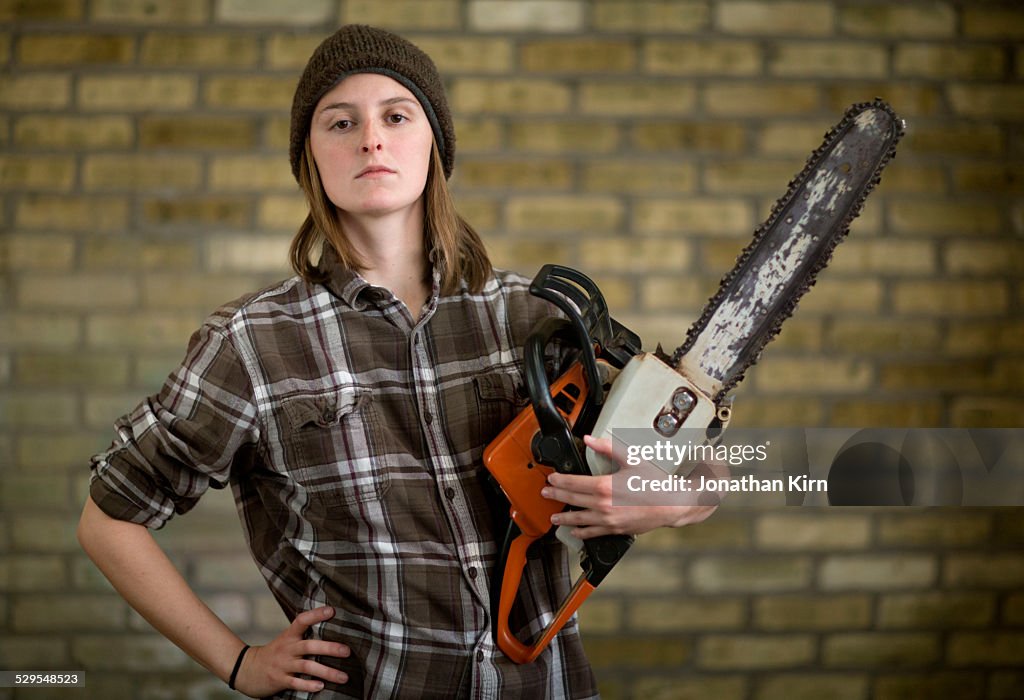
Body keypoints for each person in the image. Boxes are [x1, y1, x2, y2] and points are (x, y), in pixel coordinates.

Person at [77, 25, 716, 699]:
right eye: (341, 121)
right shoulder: (251, 342)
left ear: (432, 142)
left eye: (396, 115)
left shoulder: (530, 319)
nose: (371, 139)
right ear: (310, 159)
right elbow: (109, 518)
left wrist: (670, 497)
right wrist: (238, 663)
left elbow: (715, 465)